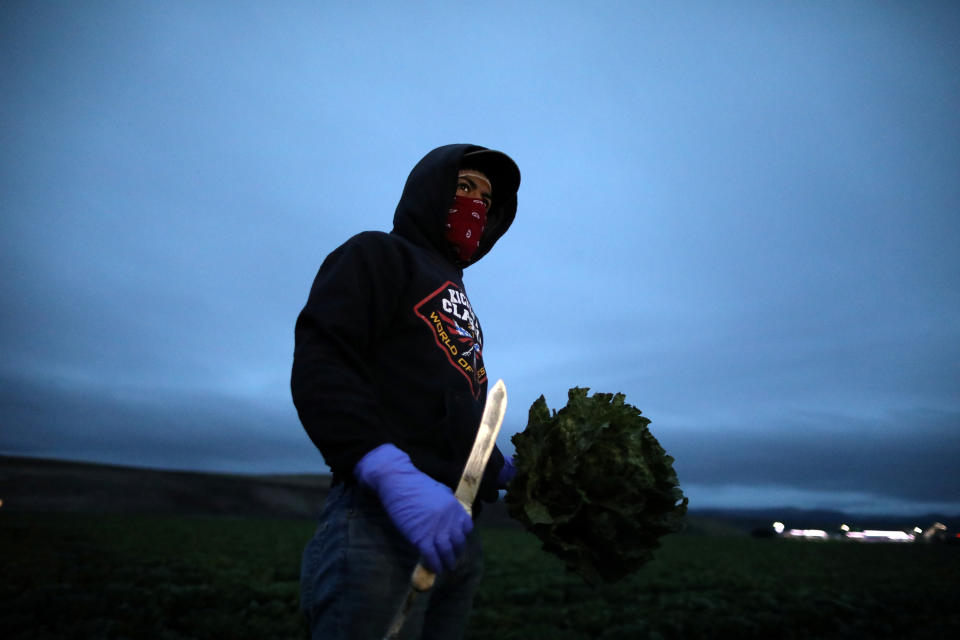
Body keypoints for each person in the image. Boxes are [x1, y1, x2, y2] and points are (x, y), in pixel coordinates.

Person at [291, 143, 520, 639]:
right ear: (430, 192)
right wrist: (390, 473)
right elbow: (323, 360)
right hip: (380, 522)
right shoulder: (378, 254)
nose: (476, 203)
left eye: (486, 197)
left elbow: (446, 407)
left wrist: (499, 468)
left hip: (456, 533)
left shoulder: (460, 298)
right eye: (463, 187)